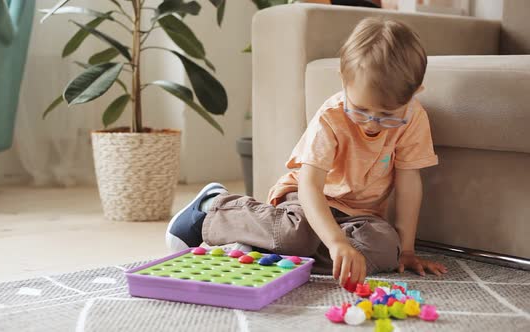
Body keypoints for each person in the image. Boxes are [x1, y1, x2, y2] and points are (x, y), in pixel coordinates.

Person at [165, 17, 448, 287]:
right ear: (343, 80)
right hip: (308, 201)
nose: (372, 122)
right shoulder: (332, 117)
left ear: (414, 94)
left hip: (361, 215)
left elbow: (409, 184)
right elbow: (310, 186)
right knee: (295, 235)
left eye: (387, 115)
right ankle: (212, 209)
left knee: (385, 251)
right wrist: (336, 243)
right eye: (361, 110)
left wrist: (407, 249)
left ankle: (258, 244)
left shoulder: (414, 118)